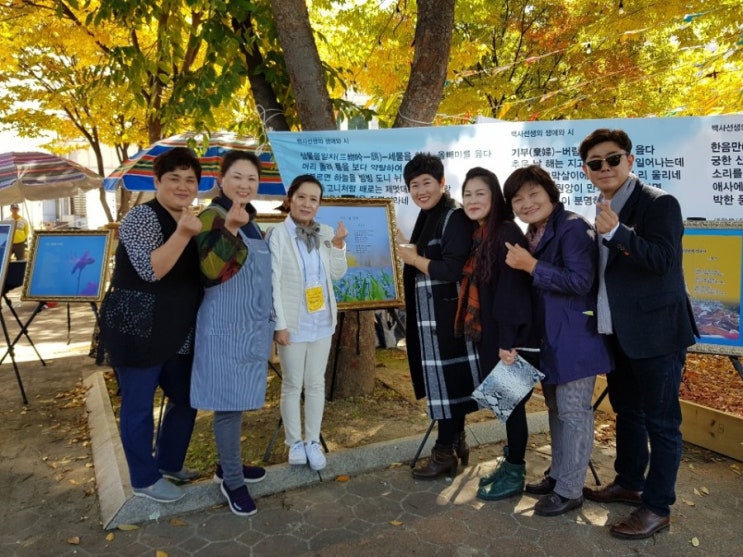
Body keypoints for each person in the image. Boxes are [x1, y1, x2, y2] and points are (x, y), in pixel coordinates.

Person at [578, 129, 698, 539]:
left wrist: (618, 235)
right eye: (596, 163)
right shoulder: (601, 205)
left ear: (630, 161)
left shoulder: (659, 203)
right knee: (628, 411)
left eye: (613, 159)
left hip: (658, 333)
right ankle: (630, 481)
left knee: (663, 423)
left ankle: (657, 507)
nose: (605, 168)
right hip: (617, 331)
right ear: (587, 170)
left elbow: (664, 260)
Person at [502, 165, 613, 515]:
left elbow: (581, 281)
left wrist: (532, 266)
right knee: (556, 410)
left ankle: (570, 490)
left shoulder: (574, 227)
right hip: (549, 340)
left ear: (551, 193)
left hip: (576, 339)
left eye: (533, 194)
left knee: (573, 412)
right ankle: (559, 475)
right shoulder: (534, 232)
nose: (527, 203)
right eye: (518, 199)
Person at [94, 147, 203, 503]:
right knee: (139, 404)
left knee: (186, 397)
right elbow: (151, 270)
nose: (183, 186)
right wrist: (184, 234)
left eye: (190, 179)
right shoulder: (141, 218)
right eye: (174, 178)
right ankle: (144, 479)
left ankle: (169, 463)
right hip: (136, 326)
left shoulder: (190, 219)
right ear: (157, 181)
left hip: (177, 327)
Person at [190, 151, 274, 517]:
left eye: (252, 179)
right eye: (238, 177)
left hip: (249, 323)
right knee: (227, 404)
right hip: (224, 325)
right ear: (221, 178)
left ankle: (230, 465)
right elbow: (208, 270)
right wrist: (231, 230)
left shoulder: (251, 219)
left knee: (241, 400)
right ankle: (232, 482)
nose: (245, 185)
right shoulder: (211, 216)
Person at [455, 166, 536, 500]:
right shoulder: (482, 233)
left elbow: (513, 291)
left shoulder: (504, 233)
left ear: (495, 198)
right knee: (506, 404)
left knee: (512, 404)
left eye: (480, 193)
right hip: (498, 333)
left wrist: (507, 342)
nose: (472, 200)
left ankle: (515, 472)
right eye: (467, 194)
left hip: (512, 336)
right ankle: (511, 461)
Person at [397, 153, 480, 480]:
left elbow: (453, 268)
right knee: (447, 384)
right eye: (414, 185)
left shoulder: (452, 216)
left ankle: (444, 451)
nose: (420, 190)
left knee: (448, 383)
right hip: (434, 316)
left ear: (442, 183)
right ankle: (454, 441)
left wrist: (414, 259)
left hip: (448, 318)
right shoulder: (429, 215)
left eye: (426, 183)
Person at [268, 174, 348, 471]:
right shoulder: (278, 234)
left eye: (313, 199)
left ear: (319, 204)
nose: (307, 203)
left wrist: (339, 245)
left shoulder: (326, 231)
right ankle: (294, 442)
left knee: (315, 383)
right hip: (294, 323)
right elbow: (274, 281)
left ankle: (313, 440)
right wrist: (280, 323)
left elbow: (337, 274)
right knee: (292, 384)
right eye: (302, 197)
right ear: (290, 199)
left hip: (322, 321)